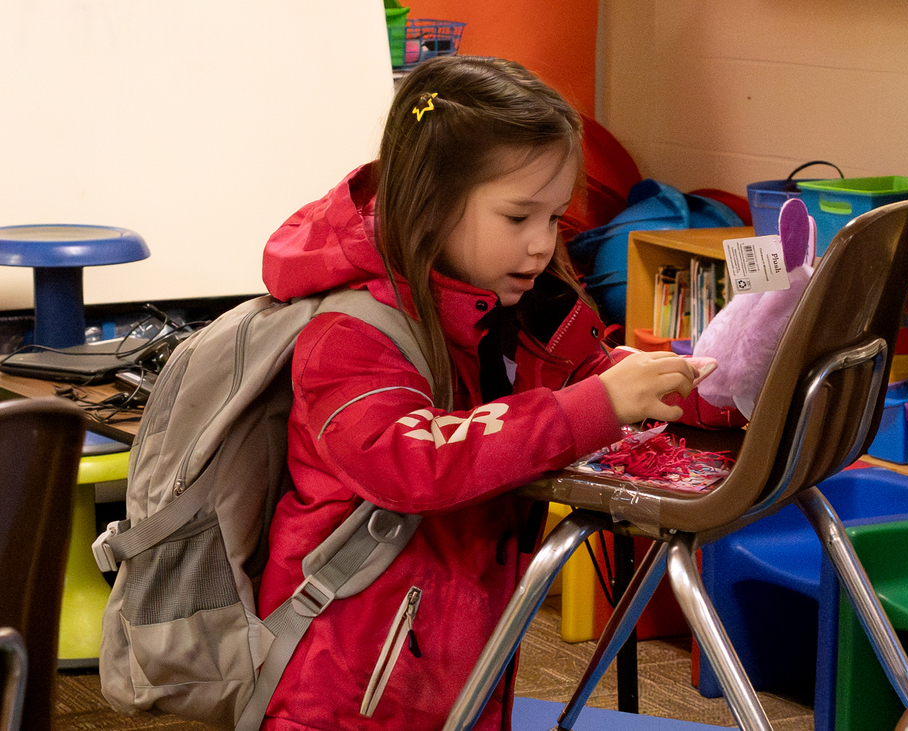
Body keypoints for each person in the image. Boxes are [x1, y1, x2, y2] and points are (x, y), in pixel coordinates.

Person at [257, 55, 705, 731]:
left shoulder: (508, 303)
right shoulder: (350, 332)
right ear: (431, 204)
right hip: (343, 690)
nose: (540, 244)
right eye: (518, 216)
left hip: (456, 669)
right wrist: (600, 403)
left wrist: (708, 383)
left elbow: (589, 372)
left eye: (554, 218)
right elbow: (414, 461)